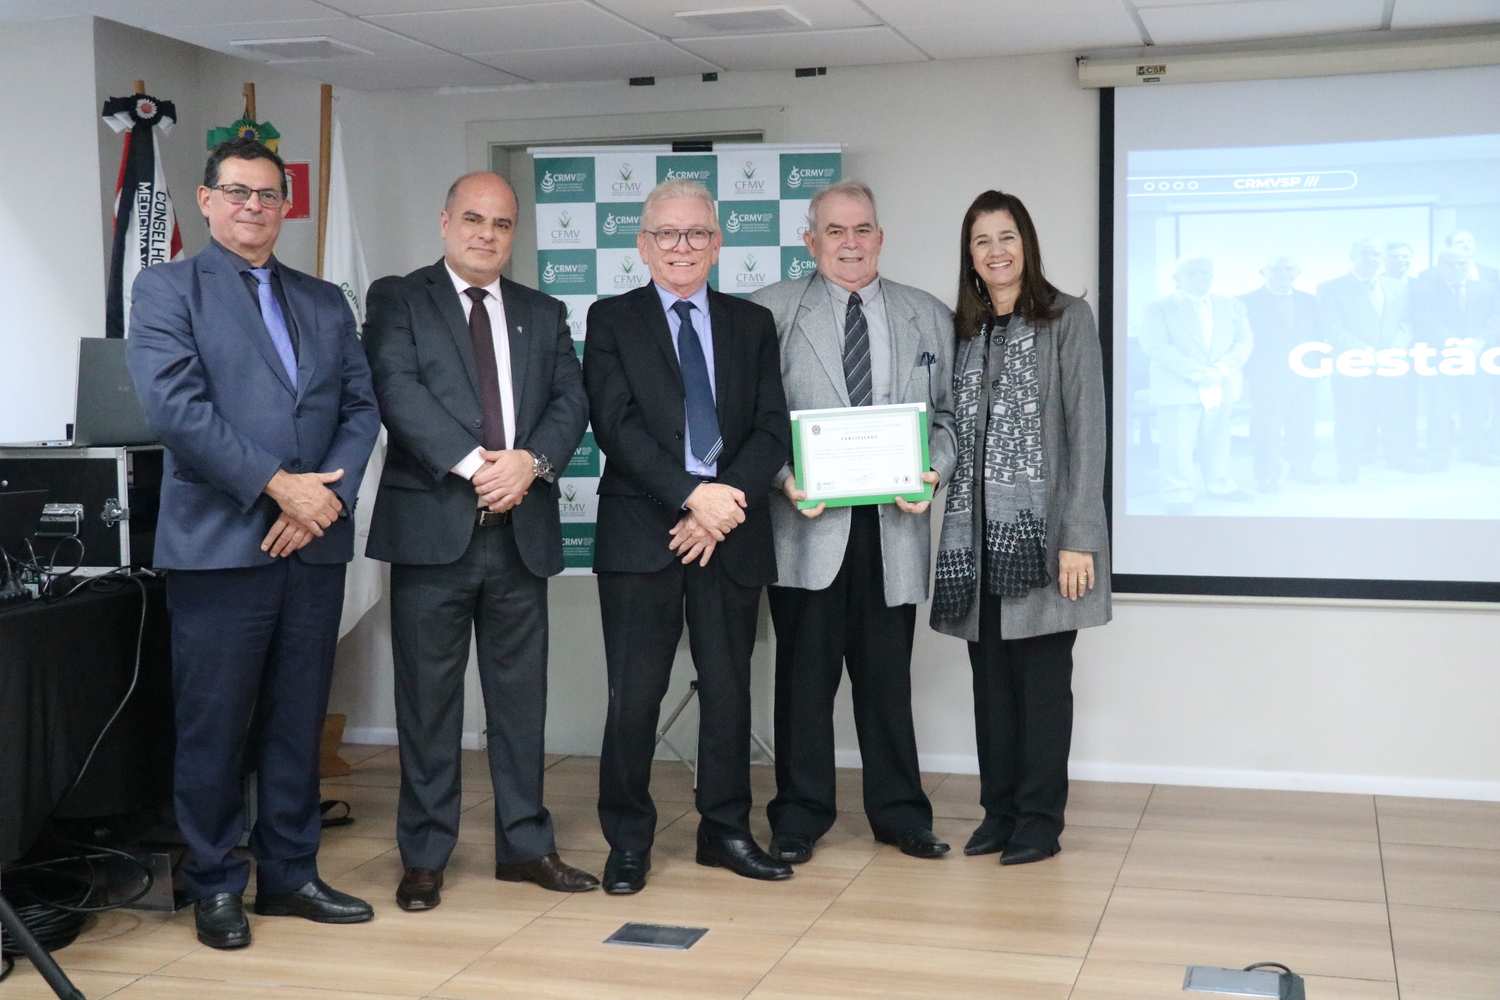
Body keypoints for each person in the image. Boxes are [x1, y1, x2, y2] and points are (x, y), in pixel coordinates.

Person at [126, 136, 380, 949]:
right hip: (220, 546)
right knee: (216, 725)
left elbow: (360, 406)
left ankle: (292, 875)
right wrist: (279, 485)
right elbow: (176, 409)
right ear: (206, 200)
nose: (254, 207)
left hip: (312, 542)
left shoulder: (323, 299)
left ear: (285, 205)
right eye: (237, 192)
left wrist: (319, 500)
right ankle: (214, 884)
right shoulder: (166, 289)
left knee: (296, 719)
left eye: (269, 195)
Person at [361, 172, 595, 911]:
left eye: (501, 222)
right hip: (434, 533)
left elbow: (570, 400)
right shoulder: (399, 298)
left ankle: (526, 846)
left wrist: (531, 463)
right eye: (473, 218)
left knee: (521, 703)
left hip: (519, 535)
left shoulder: (543, 310)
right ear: (444, 221)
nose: (486, 233)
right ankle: (425, 854)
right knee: (428, 704)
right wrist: (476, 469)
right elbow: (396, 391)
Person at [583, 179, 791, 894]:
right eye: (667, 234)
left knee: (730, 690)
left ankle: (725, 830)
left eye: (696, 233)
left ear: (718, 242)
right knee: (634, 695)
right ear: (643, 245)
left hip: (730, 531)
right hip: (643, 534)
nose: (682, 247)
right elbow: (616, 426)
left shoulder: (751, 324)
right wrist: (690, 497)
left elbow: (772, 428)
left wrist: (720, 505)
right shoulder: (610, 318)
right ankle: (629, 840)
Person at [748, 180, 956, 864]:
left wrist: (934, 469)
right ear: (810, 241)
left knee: (886, 683)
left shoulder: (928, 314)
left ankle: (900, 813)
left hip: (895, 528)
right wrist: (784, 479)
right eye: (834, 231)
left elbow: (949, 420)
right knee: (804, 685)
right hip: (807, 528)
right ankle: (799, 816)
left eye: (862, 229)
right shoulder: (769, 313)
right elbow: (754, 423)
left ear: (880, 236)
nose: (849, 243)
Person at [930, 190, 1109, 866]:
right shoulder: (963, 330)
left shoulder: (1067, 319)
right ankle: (997, 814)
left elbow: (1087, 434)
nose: (996, 251)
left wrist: (1079, 536)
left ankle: (1038, 821)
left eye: (1007, 237)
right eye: (982, 241)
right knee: (990, 687)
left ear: (1027, 244)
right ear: (969, 257)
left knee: (1041, 687)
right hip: (974, 546)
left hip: (1045, 541)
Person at [1139, 255, 1254, 513]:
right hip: (1179, 386)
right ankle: (1178, 494)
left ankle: (1220, 484)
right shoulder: (1157, 307)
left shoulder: (1233, 306)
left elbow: (1244, 342)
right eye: (1193, 273)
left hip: (1221, 383)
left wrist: (1221, 369)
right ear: (1177, 278)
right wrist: (1199, 373)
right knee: (1177, 446)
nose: (1201, 278)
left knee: (1218, 439)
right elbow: (1155, 345)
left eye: (1206, 273)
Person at [1316, 238, 1417, 481]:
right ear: (1352, 257)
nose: (1371, 258)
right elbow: (1332, 327)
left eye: (1376, 254)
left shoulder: (1398, 286)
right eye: (1364, 254)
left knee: (1395, 413)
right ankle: (1349, 467)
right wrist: (1371, 353)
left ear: (1382, 258)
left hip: (1392, 362)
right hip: (1352, 364)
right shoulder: (1330, 287)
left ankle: (1398, 458)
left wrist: (1394, 351)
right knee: (1350, 418)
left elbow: (1406, 322)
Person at [1239, 255, 1324, 492]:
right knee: (1267, 429)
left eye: (1290, 269)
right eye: (1277, 269)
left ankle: (1301, 468)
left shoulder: (1310, 301)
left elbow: (1317, 335)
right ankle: (1266, 476)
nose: (1284, 273)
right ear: (1262, 272)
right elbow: (1241, 341)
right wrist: (1249, 375)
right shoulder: (1245, 302)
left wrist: (1319, 366)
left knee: (1303, 425)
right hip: (1266, 378)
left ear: (1298, 273)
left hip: (1305, 374)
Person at [1410, 247, 1500, 468]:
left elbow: (1495, 318)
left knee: (1475, 405)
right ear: (1440, 266)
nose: (1458, 267)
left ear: (1469, 263)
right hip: (1441, 357)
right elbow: (1424, 320)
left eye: (1462, 263)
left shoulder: (1486, 289)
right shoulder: (1424, 290)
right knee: (1440, 407)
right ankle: (1439, 454)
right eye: (1451, 264)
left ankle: (1473, 449)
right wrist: (1453, 343)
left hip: (1477, 356)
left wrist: (1478, 342)